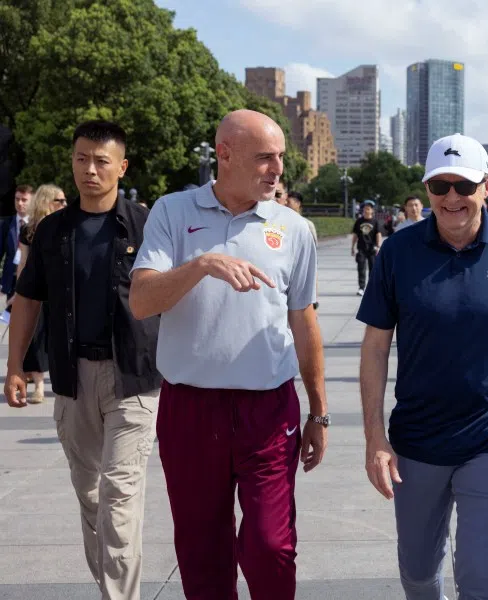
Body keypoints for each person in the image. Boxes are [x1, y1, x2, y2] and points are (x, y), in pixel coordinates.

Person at [357, 133, 488, 600]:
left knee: (479, 577)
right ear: (427, 189)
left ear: (487, 187)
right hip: (417, 441)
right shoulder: (397, 252)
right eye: (440, 186)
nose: (451, 197)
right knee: (417, 573)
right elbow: (375, 346)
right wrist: (375, 438)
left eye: (464, 185)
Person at [129, 109, 327, 599]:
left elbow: (304, 321)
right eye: (264, 158)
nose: (277, 169)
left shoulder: (295, 230)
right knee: (202, 553)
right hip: (191, 409)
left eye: (280, 157)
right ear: (224, 154)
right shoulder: (172, 213)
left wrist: (319, 413)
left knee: (270, 546)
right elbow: (141, 300)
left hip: (268, 409)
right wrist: (201, 265)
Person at [5, 120, 161, 600]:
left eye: (101, 161)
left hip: (133, 378)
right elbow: (27, 299)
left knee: (119, 498)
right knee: (91, 497)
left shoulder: (145, 224)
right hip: (73, 380)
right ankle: (113, 589)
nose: (89, 170)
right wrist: (14, 367)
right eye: (81, 159)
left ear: (122, 166)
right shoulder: (53, 230)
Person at [12, 184, 67, 404]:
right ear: (47, 201)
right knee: (35, 337)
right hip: (38, 291)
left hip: (61, 291)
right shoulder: (31, 229)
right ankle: (39, 386)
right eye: (59, 201)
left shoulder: (67, 226)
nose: (65, 204)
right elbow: (23, 263)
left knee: (59, 336)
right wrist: (20, 291)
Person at [0, 184, 31, 300]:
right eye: (17, 199)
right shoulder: (6, 224)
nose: (20, 203)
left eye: (24, 200)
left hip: (27, 279)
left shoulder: (37, 224)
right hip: (9, 280)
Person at [352, 199, 382, 296]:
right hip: (361, 248)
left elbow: (378, 234)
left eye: (368, 209)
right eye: (365, 209)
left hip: (372, 249)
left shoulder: (375, 221)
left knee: (373, 269)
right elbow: (355, 235)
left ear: (372, 210)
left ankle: (371, 288)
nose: (366, 210)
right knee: (361, 268)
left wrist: (378, 246)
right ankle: (361, 287)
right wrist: (352, 247)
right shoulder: (359, 221)